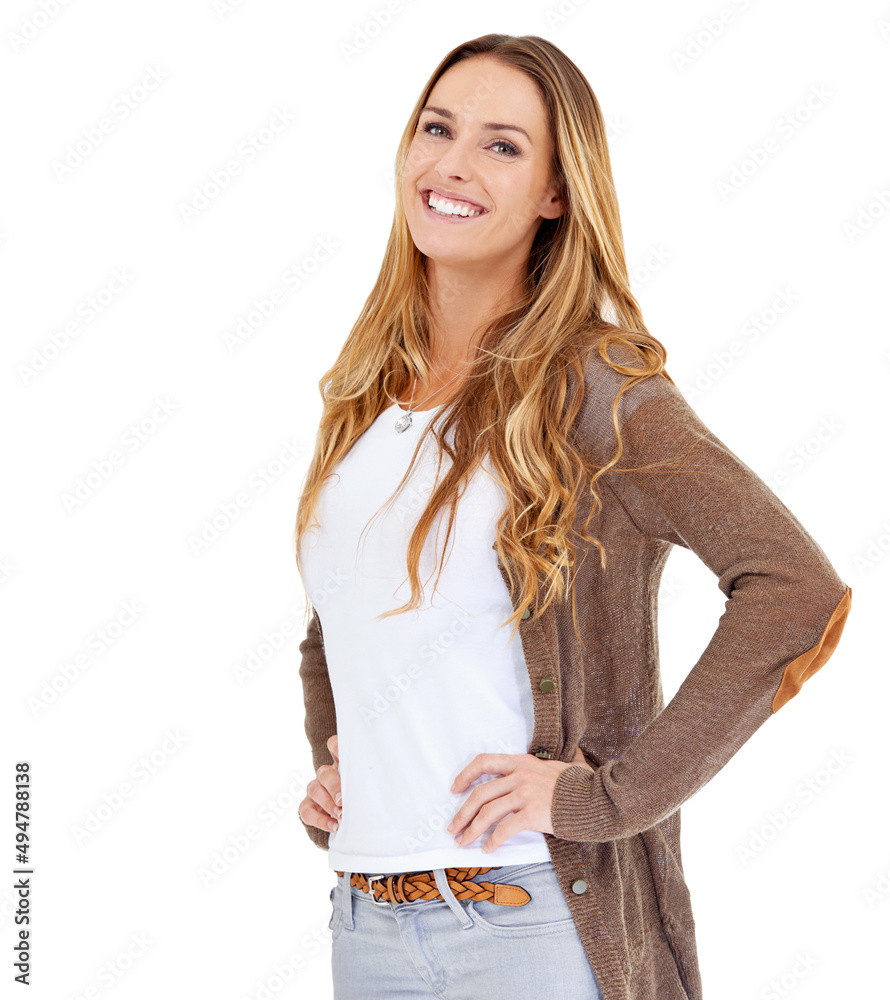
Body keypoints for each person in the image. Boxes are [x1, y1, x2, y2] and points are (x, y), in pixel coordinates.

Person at [293, 33, 852, 1000]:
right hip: (366, 925)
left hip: (531, 929)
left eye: (502, 146)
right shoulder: (365, 399)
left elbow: (795, 590)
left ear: (557, 191)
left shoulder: (597, 388)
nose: (453, 164)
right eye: (437, 128)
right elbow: (334, 625)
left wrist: (608, 798)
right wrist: (344, 767)